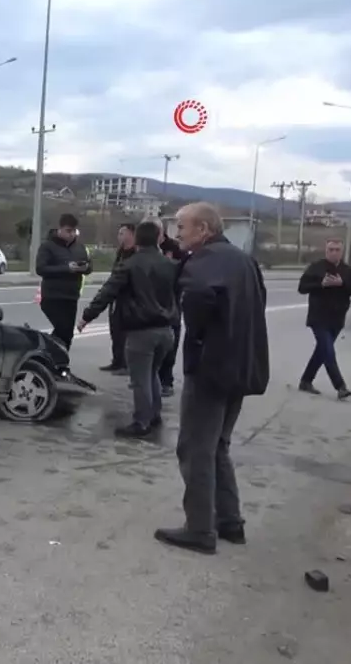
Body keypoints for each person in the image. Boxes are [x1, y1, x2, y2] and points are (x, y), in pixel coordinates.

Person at [155, 202, 269, 555]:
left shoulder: (203, 262)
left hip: (211, 370)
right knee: (218, 444)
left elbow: (197, 303)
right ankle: (229, 522)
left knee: (195, 448)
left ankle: (200, 528)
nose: (177, 232)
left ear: (203, 229)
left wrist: (200, 338)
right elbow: (258, 301)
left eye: (182, 226)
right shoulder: (243, 260)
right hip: (242, 366)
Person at [78, 221, 179, 438]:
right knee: (152, 374)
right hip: (166, 330)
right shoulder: (170, 264)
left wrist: (87, 317)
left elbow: (108, 292)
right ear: (158, 238)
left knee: (140, 379)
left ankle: (141, 422)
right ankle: (154, 414)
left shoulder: (130, 265)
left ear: (138, 239)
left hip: (141, 331)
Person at [297, 238, 351, 400]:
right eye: (330, 249)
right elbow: (302, 288)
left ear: (342, 251)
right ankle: (340, 386)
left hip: (337, 318)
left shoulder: (348, 271)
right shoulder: (316, 268)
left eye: (337, 249)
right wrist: (321, 284)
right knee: (329, 352)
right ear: (326, 251)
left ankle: (305, 381)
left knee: (321, 351)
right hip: (318, 317)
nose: (334, 253)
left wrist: (342, 283)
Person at [35, 213, 91, 348]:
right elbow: (41, 269)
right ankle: (49, 356)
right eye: (68, 231)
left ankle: (60, 363)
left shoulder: (80, 247)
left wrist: (84, 267)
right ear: (59, 229)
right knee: (62, 330)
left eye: (74, 231)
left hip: (71, 296)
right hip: (53, 296)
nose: (71, 234)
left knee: (67, 334)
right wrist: (66, 268)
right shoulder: (47, 246)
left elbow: (89, 267)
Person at [153, 218, 188, 397]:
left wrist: (169, 264)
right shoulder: (144, 248)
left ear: (161, 233)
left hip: (172, 302)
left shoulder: (175, 247)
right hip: (152, 304)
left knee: (170, 344)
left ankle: (167, 381)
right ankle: (150, 380)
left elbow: (185, 271)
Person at [100, 223, 138, 373]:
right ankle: (116, 361)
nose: (119, 236)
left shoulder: (135, 253)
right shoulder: (121, 251)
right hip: (116, 296)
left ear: (131, 234)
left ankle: (125, 364)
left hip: (129, 298)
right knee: (115, 330)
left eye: (122, 233)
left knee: (125, 333)